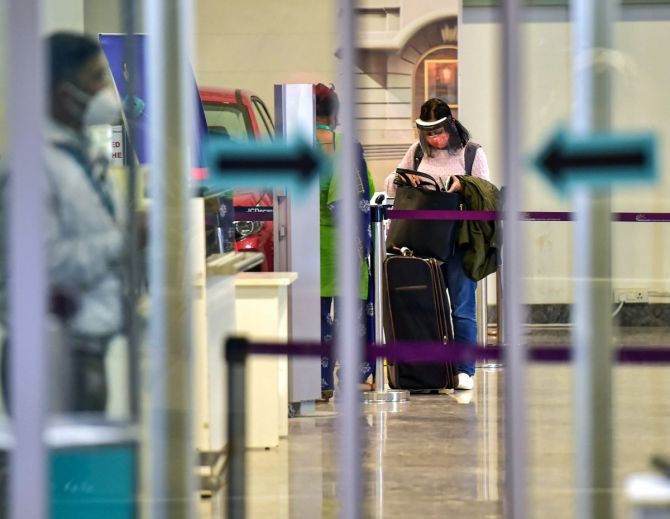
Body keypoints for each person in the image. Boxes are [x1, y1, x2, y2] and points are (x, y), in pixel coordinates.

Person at [0, 32, 126, 413]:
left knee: (82, 469)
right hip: (49, 351)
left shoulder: (85, 158)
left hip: (86, 345)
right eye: (95, 77)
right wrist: (123, 240)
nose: (105, 89)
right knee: (62, 472)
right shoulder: (32, 167)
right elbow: (44, 262)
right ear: (61, 89)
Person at [384, 98, 492, 390]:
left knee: (462, 307)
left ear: (451, 128)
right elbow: (390, 184)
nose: (435, 139)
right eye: (429, 134)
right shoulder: (417, 152)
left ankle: (465, 369)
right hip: (424, 241)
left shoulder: (472, 153)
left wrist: (462, 184)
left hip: (460, 240)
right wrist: (406, 180)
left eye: (440, 133)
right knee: (426, 305)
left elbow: (487, 191)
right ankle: (430, 369)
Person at [315, 83, 375, 401]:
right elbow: (368, 193)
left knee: (315, 316)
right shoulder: (348, 147)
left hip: (310, 247)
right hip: (347, 245)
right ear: (336, 114)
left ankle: (318, 379)